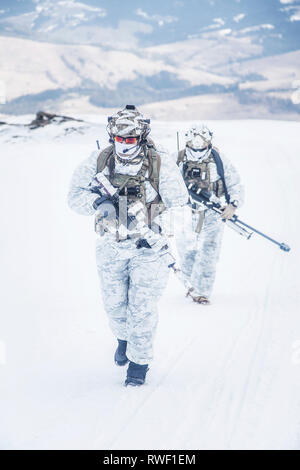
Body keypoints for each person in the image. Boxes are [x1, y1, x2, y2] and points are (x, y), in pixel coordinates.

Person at [68, 105, 188, 386]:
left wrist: (158, 230)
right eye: (119, 139)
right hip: (111, 245)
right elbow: (74, 196)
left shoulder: (160, 163)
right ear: (112, 137)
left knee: (142, 308)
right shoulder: (99, 159)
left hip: (149, 250)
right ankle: (123, 337)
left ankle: (139, 363)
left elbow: (182, 208)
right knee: (115, 306)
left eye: (130, 140)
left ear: (141, 137)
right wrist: (98, 203)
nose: (124, 145)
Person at [175, 124, 244, 305]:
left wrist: (233, 204)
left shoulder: (219, 159)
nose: (198, 148)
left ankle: (202, 292)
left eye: (202, 144)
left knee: (208, 252)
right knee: (187, 250)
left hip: (214, 212)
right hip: (185, 212)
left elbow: (235, 182)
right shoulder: (179, 159)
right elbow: (166, 184)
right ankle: (190, 287)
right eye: (193, 143)